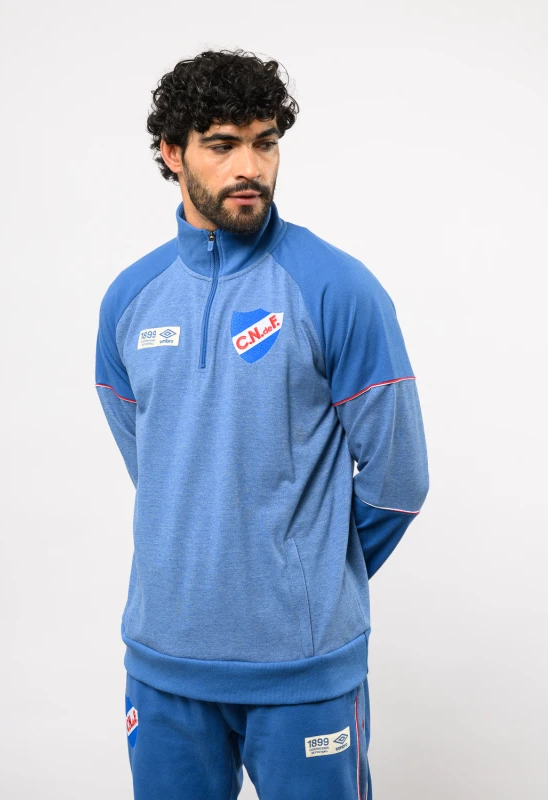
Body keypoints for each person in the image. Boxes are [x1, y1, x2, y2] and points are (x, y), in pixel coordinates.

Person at [95, 48, 429, 800]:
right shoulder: (130, 300)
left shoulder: (337, 288)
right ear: (172, 152)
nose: (250, 166)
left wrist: (305, 569)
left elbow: (399, 481)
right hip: (164, 666)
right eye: (222, 144)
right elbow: (155, 467)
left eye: (265, 142)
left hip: (303, 671)